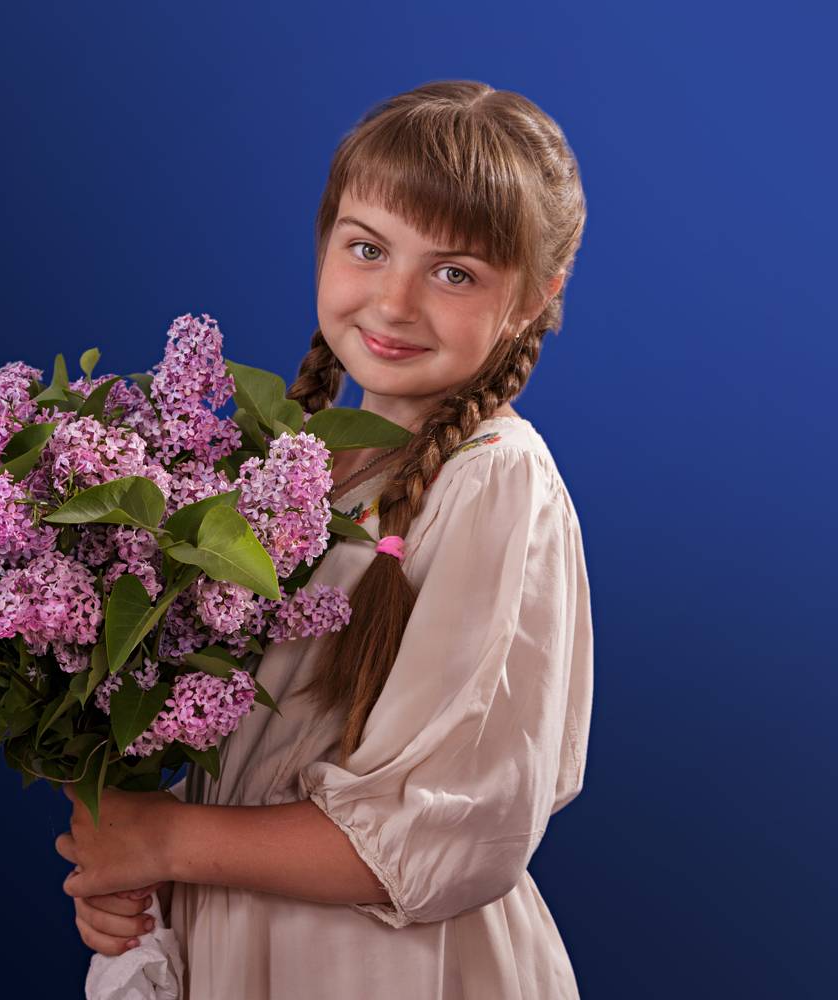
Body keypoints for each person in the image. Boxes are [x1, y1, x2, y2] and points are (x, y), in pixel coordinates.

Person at [56, 79, 593, 998]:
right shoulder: (295, 464)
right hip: (241, 938)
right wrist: (137, 869)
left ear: (535, 298)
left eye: (455, 273)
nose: (395, 301)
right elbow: (258, 754)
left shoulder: (495, 482)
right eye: (368, 249)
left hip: (380, 969)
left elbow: (439, 834)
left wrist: (170, 839)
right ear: (325, 241)